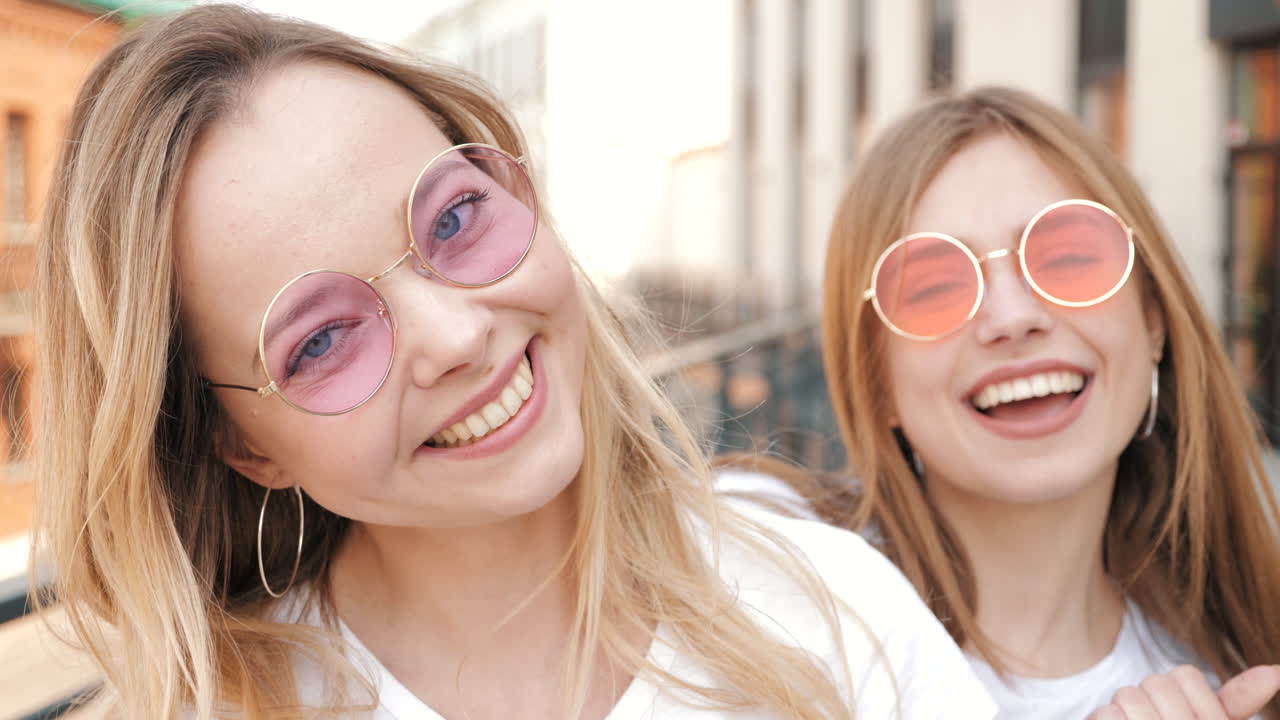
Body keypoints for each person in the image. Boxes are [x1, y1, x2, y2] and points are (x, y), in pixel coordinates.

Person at [28, 5, 997, 719]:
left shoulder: (831, 610)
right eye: (320, 339)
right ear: (240, 444)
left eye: (452, 219)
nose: (454, 337)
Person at [725, 86, 1280, 719]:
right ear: (875, 379)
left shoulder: (1233, 678)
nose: (1013, 318)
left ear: (1153, 317)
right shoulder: (764, 584)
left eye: (1068, 255)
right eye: (934, 285)